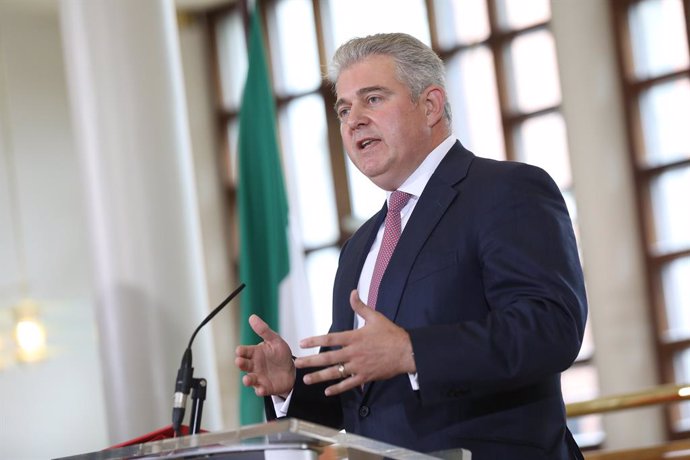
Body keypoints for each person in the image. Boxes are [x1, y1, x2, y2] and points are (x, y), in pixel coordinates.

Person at [235, 32, 587, 459]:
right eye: (344, 109)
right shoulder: (360, 246)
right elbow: (358, 399)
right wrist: (291, 384)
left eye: (373, 99)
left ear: (431, 105)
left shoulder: (505, 190)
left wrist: (412, 351)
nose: (353, 120)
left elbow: (550, 329)